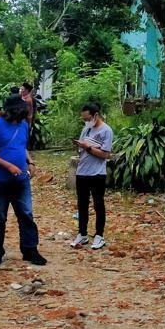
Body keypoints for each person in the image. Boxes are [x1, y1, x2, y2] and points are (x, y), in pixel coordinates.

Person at [0, 95, 46, 266]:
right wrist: (8, 165)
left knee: (26, 214)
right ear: (9, 111)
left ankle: (30, 250)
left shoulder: (23, 125)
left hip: (21, 180)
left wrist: (30, 162)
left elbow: (22, 147)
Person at [71, 102, 113, 250]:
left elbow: (105, 154)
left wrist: (87, 147)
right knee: (82, 204)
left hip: (97, 173)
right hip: (82, 172)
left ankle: (99, 235)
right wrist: (79, 147)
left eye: (87, 118)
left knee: (98, 204)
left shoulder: (106, 131)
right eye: (83, 119)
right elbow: (81, 149)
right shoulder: (86, 130)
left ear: (95, 115)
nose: (86, 121)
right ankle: (82, 233)